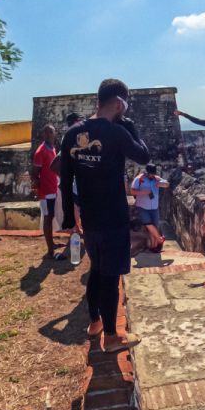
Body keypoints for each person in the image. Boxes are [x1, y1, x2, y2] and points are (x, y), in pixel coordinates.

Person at [60, 79, 149, 353]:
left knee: (96, 270)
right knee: (110, 278)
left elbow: (64, 177)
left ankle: (95, 323)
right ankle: (111, 337)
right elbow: (144, 156)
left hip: (89, 218)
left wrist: (67, 219)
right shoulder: (118, 132)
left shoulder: (72, 133)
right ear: (119, 102)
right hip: (112, 218)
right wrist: (130, 125)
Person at [31, 125, 64, 260]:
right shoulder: (41, 151)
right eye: (49, 132)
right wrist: (40, 190)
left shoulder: (52, 149)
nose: (51, 135)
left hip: (52, 189)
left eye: (53, 132)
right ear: (44, 134)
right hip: (46, 192)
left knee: (51, 217)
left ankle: (52, 244)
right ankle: (50, 251)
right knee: (48, 218)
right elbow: (34, 174)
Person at [51, 113, 84, 235]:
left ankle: (77, 228)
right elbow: (54, 165)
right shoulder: (71, 136)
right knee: (76, 207)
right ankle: (76, 229)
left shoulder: (71, 136)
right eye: (80, 120)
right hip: (74, 182)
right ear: (76, 121)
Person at [130, 163, 169, 251]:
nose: (152, 175)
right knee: (148, 224)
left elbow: (167, 184)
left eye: (153, 174)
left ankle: (154, 246)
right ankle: (160, 239)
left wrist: (161, 183)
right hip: (142, 207)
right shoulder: (139, 179)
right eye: (151, 173)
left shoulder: (156, 179)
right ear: (147, 172)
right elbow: (132, 191)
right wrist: (143, 192)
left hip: (154, 208)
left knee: (154, 227)